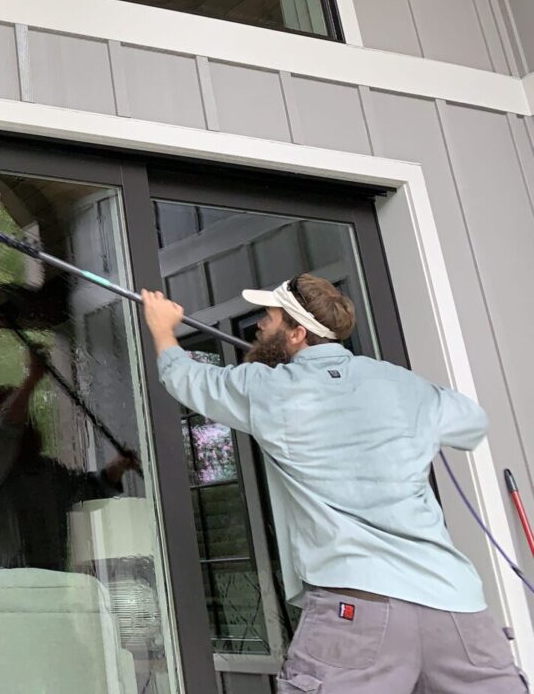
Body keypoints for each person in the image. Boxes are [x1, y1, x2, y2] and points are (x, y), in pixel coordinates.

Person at [141, 274, 527, 692]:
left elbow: (188, 380)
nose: (259, 326)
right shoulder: (403, 385)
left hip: (357, 613)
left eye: (269, 318)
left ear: (297, 333)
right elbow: (473, 423)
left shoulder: (268, 390)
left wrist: (163, 329)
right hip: (458, 611)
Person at [0, 348, 138, 572]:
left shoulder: (47, 471)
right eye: (5, 412)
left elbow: (91, 488)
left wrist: (118, 466)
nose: (15, 417)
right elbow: (7, 429)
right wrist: (31, 379)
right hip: (6, 590)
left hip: (51, 587)